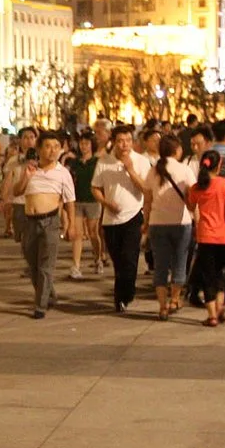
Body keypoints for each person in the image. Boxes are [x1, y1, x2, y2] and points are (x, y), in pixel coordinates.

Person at [0, 135, 73, 319]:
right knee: (32, 264)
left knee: (45, 266)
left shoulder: (62, 172)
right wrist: (26, 177)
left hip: (50, 222)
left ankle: (40, 306)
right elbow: (16, 192)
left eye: (56, 146)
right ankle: (50, 294)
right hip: (29, 222)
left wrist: (69, 224)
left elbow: (70, 200)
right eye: (48, 146)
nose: (53, 150)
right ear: (39, 149)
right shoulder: (30, 169)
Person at [90, 128, 150, 312]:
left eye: (128, 140)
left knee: (129, 259)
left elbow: (146, 189)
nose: (125, 144)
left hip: (133, 216)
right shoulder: (104, 161)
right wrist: (106, 202)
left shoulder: (141, 161)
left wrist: (130, 170)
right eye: (121, 140)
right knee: (118, 261)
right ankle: (122, 294)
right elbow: (95, 187)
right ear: (114, 142)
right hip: (110, 219)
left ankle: (123, 296)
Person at [145, 131, 198, 320]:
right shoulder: (185, 170)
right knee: (180, 263)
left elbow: (148, 201)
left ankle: (162, 307)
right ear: (177, 150)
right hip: (181, 222)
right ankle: (175, 299)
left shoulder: (153, 170)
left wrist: (145, 224)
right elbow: (193, 197)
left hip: (157, 223)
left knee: (160, 266)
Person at [189, 152, 225, 327]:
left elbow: (190, 206)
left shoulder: (196, 187)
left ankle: (212, 316)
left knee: (207, 276)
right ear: (219, 166)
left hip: (205, 237)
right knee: (220, 275)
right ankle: (219, 308)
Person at [65, 132, 102, 280]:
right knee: (77, 234)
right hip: (77, 201)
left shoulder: (98, 162)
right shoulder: (74, 163)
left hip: (93, 201)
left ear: (92, 145)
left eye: (87, 143)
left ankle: (98, 258)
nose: (84, 146)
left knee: (93, 233)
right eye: (81, 143)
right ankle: (76, 266)